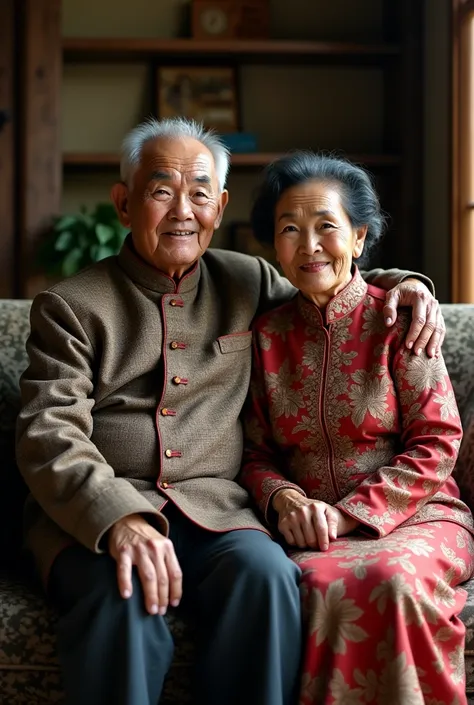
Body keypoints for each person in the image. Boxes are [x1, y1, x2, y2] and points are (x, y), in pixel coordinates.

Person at [16, 117, 446, 705]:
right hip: (99, 516)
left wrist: (408, 285)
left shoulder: (248, 280)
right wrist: (117, 518)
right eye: (161, 191)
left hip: (217, 513)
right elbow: (48, 431)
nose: (182, 211)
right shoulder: (70, 306)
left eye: (199, 193)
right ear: (123, 202)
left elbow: (329, 281)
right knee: (123, 596)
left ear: (219, 208)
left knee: (269, 580)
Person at [240, 151, 474, 705]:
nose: (309, 245)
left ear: (360, 235)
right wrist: (287, 501)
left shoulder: (399, 319)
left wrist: (349, 516)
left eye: (327, 227)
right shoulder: (265, 336)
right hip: (312, 529)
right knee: (316, 585)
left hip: (419, 516)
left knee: (391, 579)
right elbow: (253, 452)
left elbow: (439, 439)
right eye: (289, 230)